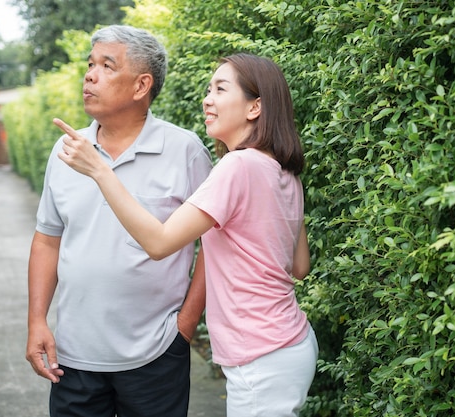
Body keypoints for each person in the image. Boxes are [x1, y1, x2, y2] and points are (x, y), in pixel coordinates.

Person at [55, 53, 319, 417]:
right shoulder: (284, 171)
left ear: (255, 107)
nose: (207, 99)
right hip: (291, 343)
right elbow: (299, 266)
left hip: (261, 354)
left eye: (220, 89)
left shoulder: (237, 166)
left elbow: (159, 243)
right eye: (208, 89)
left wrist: (101, 171)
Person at [25, 25, 213, 417]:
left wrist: (184, 328)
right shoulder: (67, 150)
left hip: (156, 354)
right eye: (90, 64)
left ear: (141, 85)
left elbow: (213, 246)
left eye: (107, 66)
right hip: (73, 357)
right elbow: (47, 240)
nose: (90, 75)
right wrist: (37, 321)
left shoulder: (185, 151)